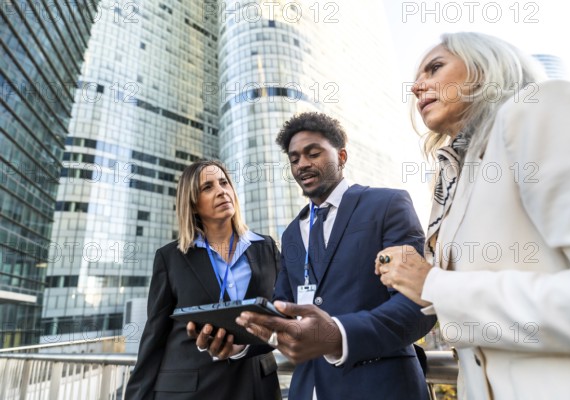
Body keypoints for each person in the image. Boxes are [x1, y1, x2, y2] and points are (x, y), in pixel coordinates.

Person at [375, 32, 570, 400]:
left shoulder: (539, 108)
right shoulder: (456, 176)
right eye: (417, 77)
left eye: (435, 67)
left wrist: (433, 284)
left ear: (485, 69)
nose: (416, 86)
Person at [236, 112, 437, 400]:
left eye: (313, 153)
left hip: (380, 388)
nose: (302, 164)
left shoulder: (387, 204)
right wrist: (239, 343)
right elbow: (282, 311)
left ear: (341, 156)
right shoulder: (292, 233)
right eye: (294, 159)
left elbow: (416, 306)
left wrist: (338, 335)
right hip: (308, 389)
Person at [125, 160, 281, 400]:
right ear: (193, 205)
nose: (221, 191)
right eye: (207, 187)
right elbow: (154, 336)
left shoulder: (266, 247)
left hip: (255, 387)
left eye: (224, 182)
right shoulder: (171, 258)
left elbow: (285, 316)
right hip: (190, 391)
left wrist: (248, 345)